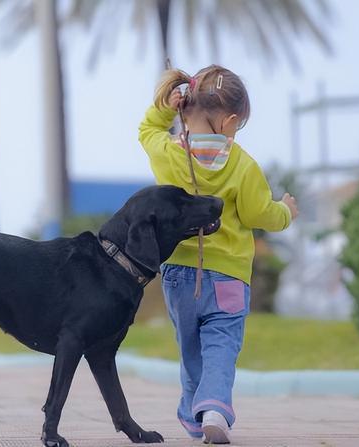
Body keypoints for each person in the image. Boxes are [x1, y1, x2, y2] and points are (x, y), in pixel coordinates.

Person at [138, 65, 298, 444]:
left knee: (190, 346)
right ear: (229, 120)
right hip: (228, 276)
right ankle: (213, 409)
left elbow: (146, 132)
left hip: (179, 275)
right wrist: (287, 211)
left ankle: (195, 417)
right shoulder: (243, 165)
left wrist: (163, 109)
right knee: (221, 345)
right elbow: (262, 215)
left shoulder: (168, 154)